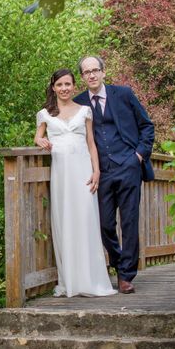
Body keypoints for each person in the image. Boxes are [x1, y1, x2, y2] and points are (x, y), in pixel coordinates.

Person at [74, 56, 155, 294]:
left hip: (128, 166)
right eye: (86, 72)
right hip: (101, 172)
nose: (92, 75)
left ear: (103, 72)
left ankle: (126, 275)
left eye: (95, 70)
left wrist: (138, 156)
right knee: (105, 224)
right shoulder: (79, 103)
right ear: (82, 77)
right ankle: (118, 262)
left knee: (129, 222)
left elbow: (147, 126)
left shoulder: (124, 94)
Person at [34, 68, 117, 297]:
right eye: (60, 85)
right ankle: (70, 280)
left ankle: (91, 280)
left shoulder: (85, 111)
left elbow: (91, 143)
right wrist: (41, 140)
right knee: (65, 221)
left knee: (86, 221)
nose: (64, 88)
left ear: (74, 86)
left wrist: (97, 170)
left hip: (83, 172)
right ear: (53, 87)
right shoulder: (45, 113)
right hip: (62, 174)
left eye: (68, 84)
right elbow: (37, 136)